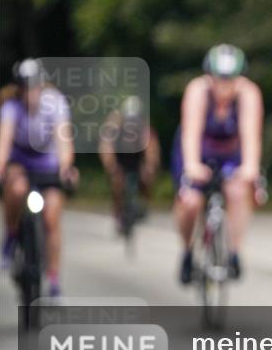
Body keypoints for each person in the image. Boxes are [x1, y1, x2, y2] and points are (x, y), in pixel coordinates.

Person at [171, 44, 263, 284]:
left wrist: (250, 167)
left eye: (230, 79)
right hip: (198, 151)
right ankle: (187, 250)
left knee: (238, 190)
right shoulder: (197, 91)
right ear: (209, 76)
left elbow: (251, 136)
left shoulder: (249, 94)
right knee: (190, 201)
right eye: (219, 79)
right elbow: (190, 133)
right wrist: (191, 166)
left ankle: (234, 252)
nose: (224, 85)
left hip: (230, 153)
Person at [0, 59, 78, 296]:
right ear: (19, 88)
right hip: (20, 162)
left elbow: (64, 141)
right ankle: (12, 235)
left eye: (34, 86)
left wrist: (66, 167)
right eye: (25, 86)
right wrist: (1, 168)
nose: (30, 91)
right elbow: (4, 144)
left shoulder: (56, 104)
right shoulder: (11, 108)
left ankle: (53, 279)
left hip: (47, 164)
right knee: (17, 189)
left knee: (52, 217)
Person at [99, 95, 161, 232]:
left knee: (147, 179)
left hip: (137, 159)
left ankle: (144, 203)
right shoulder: (115, 126)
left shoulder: (144, 127)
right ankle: (118, 213)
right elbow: (106, 147)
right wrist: (112, 167)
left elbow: (152, 148)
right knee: (117, 184)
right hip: (120, 159)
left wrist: (149, 167)